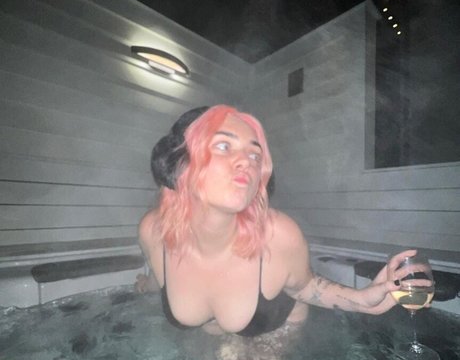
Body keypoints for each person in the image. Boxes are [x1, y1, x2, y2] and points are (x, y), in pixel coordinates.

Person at [136, 104, 411, 335]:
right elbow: (159, 274)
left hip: (275, 326)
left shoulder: (278, 234)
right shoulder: (152, 231)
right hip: (214, 334)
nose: (247, 161)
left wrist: (362, 299)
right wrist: (146, 285)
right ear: (179, 162)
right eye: (223, 145)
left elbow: (304, 286)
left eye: (255, 154)